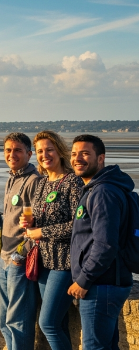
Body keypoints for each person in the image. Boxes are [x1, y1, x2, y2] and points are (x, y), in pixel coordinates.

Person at [69, 134, 134, 350]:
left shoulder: (103, 191)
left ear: (101, 158)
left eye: (85, 153)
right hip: (106, 282)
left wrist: (84, 279)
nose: (78, 158)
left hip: (101, 284)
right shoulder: (97, 188)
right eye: (74, 154)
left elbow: (105, 244)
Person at [18, 131, 83, 350]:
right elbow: (39, 218)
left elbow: (78, 225)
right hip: (43, 263)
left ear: (60, 151)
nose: (44, 155)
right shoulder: (43, 183)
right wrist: (29, 223)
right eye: (39, 151)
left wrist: (42, 232)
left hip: (65, 264)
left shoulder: (73, 182)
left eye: (49, 150)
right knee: (59, 323)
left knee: (47, 323)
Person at [0, 133, 42, 350]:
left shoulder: (34, 181)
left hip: (19, 261)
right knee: (3, 321)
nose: (11, 154)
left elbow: (37, 225)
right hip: (4, 259)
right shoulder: (11, 178)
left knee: (19, 322)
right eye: (8, 150)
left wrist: (20, 255)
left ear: (28, 154)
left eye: (17, 150)